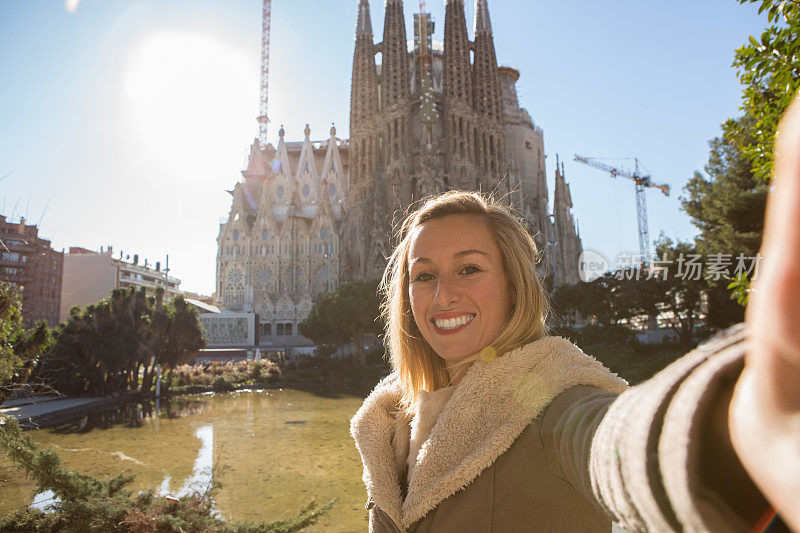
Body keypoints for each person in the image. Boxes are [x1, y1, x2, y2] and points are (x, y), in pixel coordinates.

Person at [351, 96, 800, 533]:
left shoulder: (546, 392)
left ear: (514, 285)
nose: (444, 294)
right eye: (424, 275)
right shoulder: (394, 417)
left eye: (470, 269)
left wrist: (733, 434)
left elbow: (611, 443)